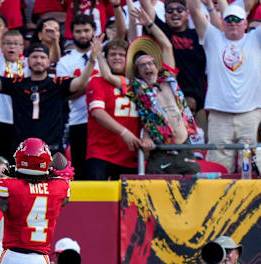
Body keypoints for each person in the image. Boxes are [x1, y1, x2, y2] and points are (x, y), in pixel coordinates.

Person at [98, 7, 200, 175]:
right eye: (142, 65)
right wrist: (98, 55)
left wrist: (150, 24)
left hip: (184, 146)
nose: (147, 66)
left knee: (194, 190)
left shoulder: (169, 79)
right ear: (137, 72)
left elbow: (167, 45)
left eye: (150, 63)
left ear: (156, 66)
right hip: (159, 149)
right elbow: (108, 76)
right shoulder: (136, 88)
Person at [0, 29, 98, 156]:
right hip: (23, 150)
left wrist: (92, 60)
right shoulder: (17, 83)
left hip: (51, 148)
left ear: (49, 62)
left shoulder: (57, 83)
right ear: (27, 61)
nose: (38, 61)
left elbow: (81, 82)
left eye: (42, 58)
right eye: (34, 57)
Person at [188, 0, 261, 172]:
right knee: (219, 170)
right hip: (219, 116)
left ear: (245, 23)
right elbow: (193, 10)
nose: (233, 23)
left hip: (250, 114)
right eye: (229, 19)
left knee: (255, 169)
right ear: (222, 22)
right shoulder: (213, 38)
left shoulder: (256, 38)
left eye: (237, 20)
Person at [85, 38, 142, 180]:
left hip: (130, 155)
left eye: (121, 54)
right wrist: (123, 132)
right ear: (106, 58)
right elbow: (97, 113)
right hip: (101, 153)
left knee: (129, 202)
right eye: (113, 54)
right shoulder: (97, 81)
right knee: (98, 200)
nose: (117, 57)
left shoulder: (138, 86)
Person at [139, 0, 207, 110]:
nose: (175, 13)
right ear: (165, 16)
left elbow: (196, 9)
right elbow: (147, 7)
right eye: (170, 10)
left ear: (187, 14)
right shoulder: (161, 30)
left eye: (179, 10)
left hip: (198, 104)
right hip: (169, 99)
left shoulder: (198, 35)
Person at [0, 0, 27, 164]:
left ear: (22, 46)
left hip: (21, 121)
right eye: (8, 43)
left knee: (19, 166)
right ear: (2, 45)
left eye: (16, 44)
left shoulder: (28, 63)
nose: (12, 47)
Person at [56, 14, 97, 180]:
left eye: (87, 30)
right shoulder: (64, 62)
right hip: (78, 121)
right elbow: (65, 95)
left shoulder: (106, 56)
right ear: (72, 33)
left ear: (94, 31)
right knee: (80, 169)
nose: (83, 35)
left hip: (106, 121)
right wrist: (93, 86)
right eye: (78, 31)